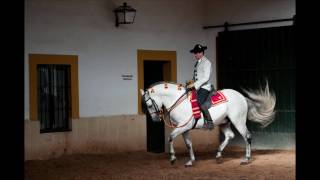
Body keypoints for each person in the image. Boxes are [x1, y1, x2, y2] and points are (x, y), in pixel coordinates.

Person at [187, 44, 214, 129]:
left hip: (204, 87)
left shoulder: (207, 62)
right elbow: (196, 76)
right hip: (197, 86)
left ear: (202, 53)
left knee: (199, 102)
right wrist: (190, 83)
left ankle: (209, 122)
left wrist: (194, 85)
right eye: (195, 53)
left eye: (197, 53)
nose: (196, 54)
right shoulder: (198, 63)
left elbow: (206, 77)